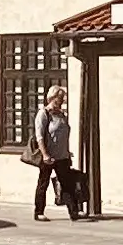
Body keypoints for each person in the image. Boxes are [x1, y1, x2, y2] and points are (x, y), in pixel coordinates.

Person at [31, 81, 83, 220]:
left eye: (63, 98)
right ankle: (39, 212)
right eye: (60, 98)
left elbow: (63, 134)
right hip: (48, 157)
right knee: (43, 183)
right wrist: (45, 154)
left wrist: (67, 151)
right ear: (52, 98)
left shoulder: (61, 115)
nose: (62, 101)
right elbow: (39, 137)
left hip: (62, 156)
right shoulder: (43, 114)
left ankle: (74, 212)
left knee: (67, 184)